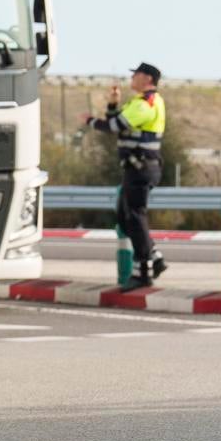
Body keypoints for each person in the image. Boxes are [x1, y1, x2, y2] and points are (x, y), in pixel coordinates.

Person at [88, 61, 169, 287]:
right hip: (136, 168)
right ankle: (154, 258)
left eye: (136, 75)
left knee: (134, 216)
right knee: (126, 218)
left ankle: (143, 272)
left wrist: (90, 121)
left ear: (148, 79)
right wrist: (113, 103)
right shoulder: (139, 102)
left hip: (141, 168)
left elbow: (114, 126)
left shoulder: (146, 103)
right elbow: (118, 122)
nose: (132, 78)